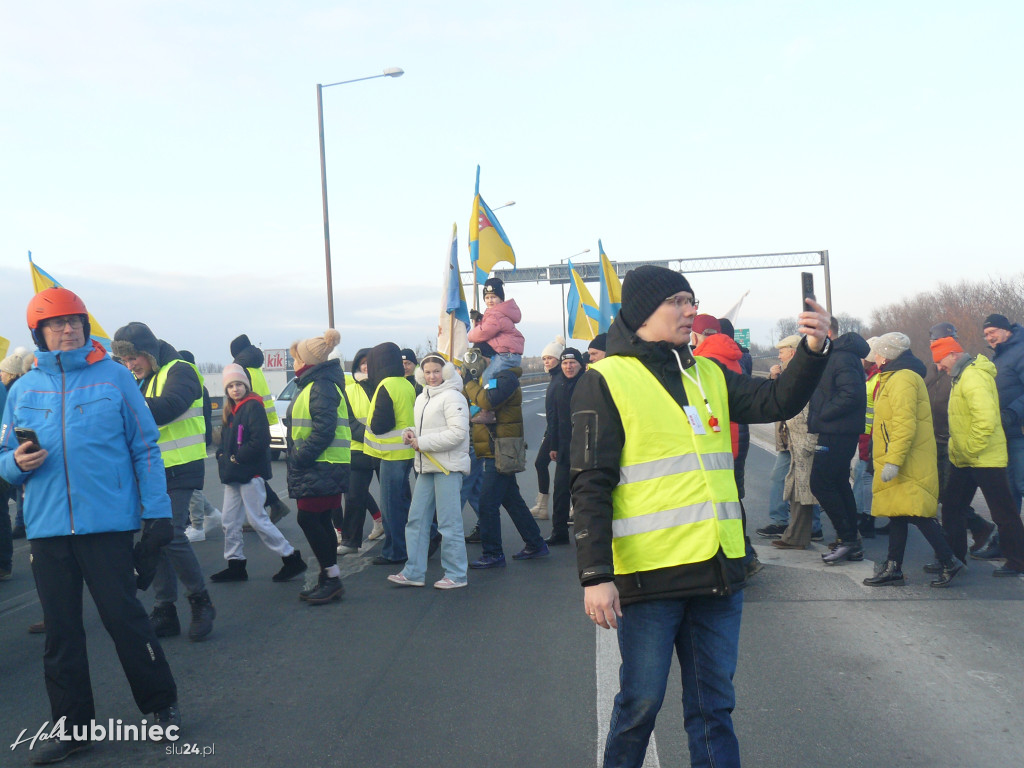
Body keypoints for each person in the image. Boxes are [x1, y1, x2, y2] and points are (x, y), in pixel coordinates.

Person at [572, 265, 831, 768]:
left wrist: (812, 350)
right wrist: (595, 575)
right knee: (639, 706)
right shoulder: (605, 379)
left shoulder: (707, 371)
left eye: (692, 300)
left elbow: (775, 399)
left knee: (714, 708)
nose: (691, 310)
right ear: (644, 310)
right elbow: (590, 484)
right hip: (651, 576)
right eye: (678, 301)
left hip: (718, 570)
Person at [1, 288, 180, 762]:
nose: (68, 329)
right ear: (39, 333)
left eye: (75, 321)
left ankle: (161, 708)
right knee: (62, 632)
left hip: (107, 525)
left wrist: (156, 512)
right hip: (47, 528)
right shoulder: (22, 389)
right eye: (57, 323)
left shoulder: (114, 378)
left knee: (125, 620)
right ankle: (72, 728)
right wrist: (17, 462)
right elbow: (3, 457)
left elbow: (145, 448)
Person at [112, 322, 216, 641]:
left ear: (149, 352)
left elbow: (169, 408)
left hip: (180, 468)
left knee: (171, 535)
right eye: (126, 362)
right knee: (152, 539)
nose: (131, 366)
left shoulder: (180, 370)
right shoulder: (141, 380)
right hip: (149, 472)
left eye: (135, 359)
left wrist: (121, 399)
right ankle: (165, 609)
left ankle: (200, 600)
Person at [861, 333, 964, 587]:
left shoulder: (903, 379)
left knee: (917, 513)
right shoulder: (895, 376)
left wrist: (893, 461)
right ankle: (893, 567)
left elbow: (904, 424)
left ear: (889, 355)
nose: (877, 357)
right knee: (898, 513)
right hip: (901, 455)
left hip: (907, 459)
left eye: (881, 353)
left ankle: (950, 561)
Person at [932, 335, 1024, 576]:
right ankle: (953, 559)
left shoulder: (973, 376)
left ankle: (1017, 561)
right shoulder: (961, 376)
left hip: (983, 457)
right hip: (967, 457)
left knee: (1003, 512)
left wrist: (969, 449)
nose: (939, 367)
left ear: (954, 354)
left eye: (941, 361)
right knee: (952, 508)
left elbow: (986, 420)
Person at [210, 364, 307, 584]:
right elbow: (227, 441)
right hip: (234, 474)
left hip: (249, 473)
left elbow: (260, 440)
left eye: (239, 385)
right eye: (231, 386)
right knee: (229, 520)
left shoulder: (252, 407)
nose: (235, 389)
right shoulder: (232, 410)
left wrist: (236, 458)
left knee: (257, 520)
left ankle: (290, 557)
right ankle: (235, 563)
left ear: (246, 386)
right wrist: (222, 455)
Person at [388, 354, 470, 589]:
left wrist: (422, 442)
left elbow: (458, 434)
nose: (431, 376)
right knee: (416, 521)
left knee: (448, 523)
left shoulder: (453, 396)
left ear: (445, 372)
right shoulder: (422, 396)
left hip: (447, 468)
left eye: (436, 371)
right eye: (427, 372)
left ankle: (456, 575)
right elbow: (428, 427)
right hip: (426, 466)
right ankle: (413, 571)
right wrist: (411, 432)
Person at [464, 348, 549, 567]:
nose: (476, 363)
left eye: (479, 357)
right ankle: (536, 543)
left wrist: (469, 384)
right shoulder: (490, 378)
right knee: (512, 501)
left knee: (487, 503)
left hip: (501, 449)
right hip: (496, 447)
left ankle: (493, 553)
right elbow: (476, 406)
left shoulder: (506, 377)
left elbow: (487, 401)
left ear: (491, 358)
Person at [285, 329, 350, 603]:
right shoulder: (316, 383)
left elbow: (324, 430)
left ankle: (332, 578)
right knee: (320, 518)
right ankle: (328, 576)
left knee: (309, 518)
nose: (294, 363)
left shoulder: (320, 385)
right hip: (322, 464)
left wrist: (301, 457)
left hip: (321, 463)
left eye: (297, 358)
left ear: (308, 361)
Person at [924, 323, 996, 563]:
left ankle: (961, 545)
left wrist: (968, 446)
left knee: (951, 500)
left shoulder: (962, 370)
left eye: (941, 340)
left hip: (954, 441)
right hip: (937, 437)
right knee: (947, 498)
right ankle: (969, 537)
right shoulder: (934, 368)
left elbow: (976, 411)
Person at [808, 318, 870, 564]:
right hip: (837, 429)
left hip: (836, 431)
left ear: (827, 332)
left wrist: (823, 413)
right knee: (838, 483)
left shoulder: (841, 356)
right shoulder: (837, 355)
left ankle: (848, 539)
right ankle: (851, 540)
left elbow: (851, 393)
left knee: (820, 483)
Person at [363, 342, 417, 566]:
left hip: (391, 455)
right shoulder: (405, 384)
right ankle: (408, 546)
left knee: (390, 507)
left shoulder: (385, 386)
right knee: (403, 504)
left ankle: (394, 552)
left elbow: (380, 424)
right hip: (406, 453)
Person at [230, 334, 291, 524]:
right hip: (262, 420)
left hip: (248, 424)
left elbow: (240, 398)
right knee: (253, 470)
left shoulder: (241, 368)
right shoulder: (255, 367)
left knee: (248, 470)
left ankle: (262, 514)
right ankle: (266, 509)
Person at [339, 348, 385, 552]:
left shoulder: (385, 386)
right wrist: (370, 436)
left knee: (394, 496)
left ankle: (399, 538)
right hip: (358, 451)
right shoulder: (348, 390)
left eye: (369, 362)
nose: (365, 366)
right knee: (354, 497)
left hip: (386, 450)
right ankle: (350, 541)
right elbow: (347, 421)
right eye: (362, 363)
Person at [757, 334, 801, 539]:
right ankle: (807, 525)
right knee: (802, 481)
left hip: (795, 437)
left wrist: (776, 380)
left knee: (791, 480)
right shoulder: (788, 371)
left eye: (782, 351)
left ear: (792, 351)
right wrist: (773, 379)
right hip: (789, 438)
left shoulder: (797, 372)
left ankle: (781, 521)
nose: (779, 356)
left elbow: (784, 399)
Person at [178, 349, 222, 543]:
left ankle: (197, 526)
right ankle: (211, 514)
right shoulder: (197, 384)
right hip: (194, 440)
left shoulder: (191, 386)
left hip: (191, 442)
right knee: (189, 486)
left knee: (190, 486)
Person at [983, 313, 1024, 514]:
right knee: (1009, 491)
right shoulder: (998, 356)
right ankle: (1011, 541)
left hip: (1019, 431)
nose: (989, 337)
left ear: (1005, 329)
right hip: (1005, 432)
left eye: (992, 332)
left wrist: (1011, 413)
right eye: (986, 335)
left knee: (1021, 484)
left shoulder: (1021, 350)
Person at [769, 391, 818, 551]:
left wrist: (810, 444)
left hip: (808, 445)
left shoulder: (813, 385)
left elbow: (815, 417)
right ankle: (796, 537)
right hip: (797, 445)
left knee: (824, 491)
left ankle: (848, 537)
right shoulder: (801, 384)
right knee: (799, 490)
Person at [546, 348, 585, 546]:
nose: (568, 367)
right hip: (563, 448)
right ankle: (559, 532)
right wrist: (553, 445)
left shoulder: (588, 384)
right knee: (560, 491)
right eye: (565, 364)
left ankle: (586, 534)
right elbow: (554, 418)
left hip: (585, 448)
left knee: (583, 493)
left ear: (580, 364)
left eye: (572, 363)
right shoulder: (558, 385)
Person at [528, 335, 565, 521]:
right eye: (544, 358)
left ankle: (546, 507)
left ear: (558, 359)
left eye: (550, 358)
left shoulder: (559, 380)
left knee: (555, 467)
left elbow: (558, 412)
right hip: (552, 431)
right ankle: (543, 506)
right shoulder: (554, 378)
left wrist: (553, 439)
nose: (547, 361)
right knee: (547, 465)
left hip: (558, 432)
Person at [467, 277, 525, 384]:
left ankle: (491, 395)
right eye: (487, 297)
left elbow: (484, 332)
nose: (490, 300)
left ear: (501, 299)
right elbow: (487, 328)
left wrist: (468, 336)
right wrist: (479, 320)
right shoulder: (496, 313)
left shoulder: (496, 315)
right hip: (505, 354)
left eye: (493, 297)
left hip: (507, 356)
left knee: (488, 377)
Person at [853, 338, 881, 538]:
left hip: (872, 436)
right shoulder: (870, 377)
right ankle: (860, 515)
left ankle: (866, 518)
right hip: (866, 434)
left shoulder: (876, 379)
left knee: (866, 478)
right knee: (861, 474)